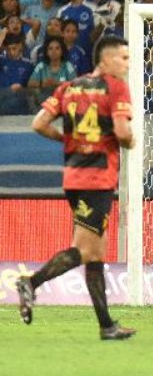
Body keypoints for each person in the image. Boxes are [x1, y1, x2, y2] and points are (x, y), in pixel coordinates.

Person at [17, 36, 136, 340]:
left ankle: (106, 325)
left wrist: (68, 141)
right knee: (86, 250)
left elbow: (39, 123)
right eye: (123, 58)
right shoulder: (116, 86)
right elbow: (123, 133)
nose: (127, 63)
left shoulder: (69, 86)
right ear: (105, 60)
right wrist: (130, 141)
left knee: (95, 253)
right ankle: (32, 282)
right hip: (96, 180)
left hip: (74, 177)